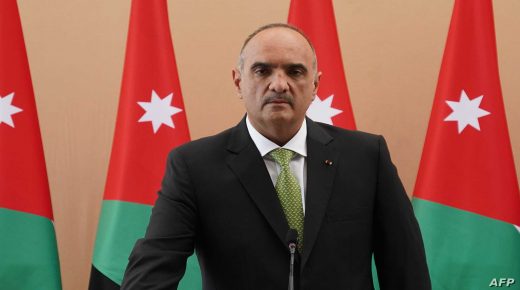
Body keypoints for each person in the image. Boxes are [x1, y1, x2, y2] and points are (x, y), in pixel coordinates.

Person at [121, 23, 431, 290]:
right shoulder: (193, 166)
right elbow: (151, 274)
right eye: (262, 70)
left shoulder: (366, 158)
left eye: (295, 71)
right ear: (238, 81)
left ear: (315, 85)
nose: (279, 84)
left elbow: (406, 272)